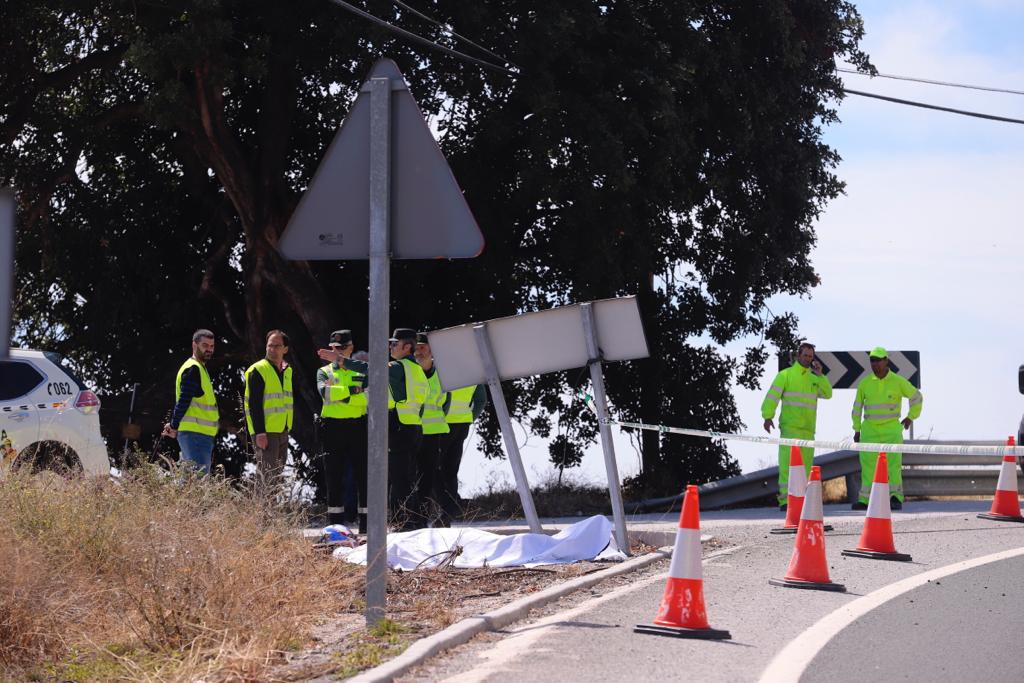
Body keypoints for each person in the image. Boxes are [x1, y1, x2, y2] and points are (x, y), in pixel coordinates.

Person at [322, 327, 427, 531]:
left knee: (398, 482)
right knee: (406, 478)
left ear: (407, 347)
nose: (390, 347)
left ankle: (402, 525)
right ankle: (412, 523)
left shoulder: (398, 367)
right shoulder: (417, 370)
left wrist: (339, 360)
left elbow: (371, 369)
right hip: (413, 426)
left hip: (398, 426)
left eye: (394, 344)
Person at [761, 341, 832, 511]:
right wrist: (767, 416)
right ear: (798, 355)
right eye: (805, 355)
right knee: (787, 466)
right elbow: (772, 396)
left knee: (806, 467)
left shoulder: (815, 379)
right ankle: (786, 501)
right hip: (790, 428)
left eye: (810, 356)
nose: (808, 358)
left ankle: (803, 500)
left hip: (808, 430)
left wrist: (821, 375)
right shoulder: (785, 375)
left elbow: (828, 394)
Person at [851, 347, 923, 510]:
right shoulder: (865, 383)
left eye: (878, 360)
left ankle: (895, 498)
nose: (874, 364)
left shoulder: (897, 381)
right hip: (869, 430)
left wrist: (911, 417)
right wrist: (857, 430)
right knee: (868, 467)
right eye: (872, 360)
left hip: (891, 430)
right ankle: (865, 500)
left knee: (893, 466)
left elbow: (917, 397)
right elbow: (857, 408)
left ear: (886, 361)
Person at [316, 330, 368, 531]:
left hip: (357, 427)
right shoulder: (324, 372)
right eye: (334, 348)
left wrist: (341, 395)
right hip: (332, 428)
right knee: (334, 477)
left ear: (351, 348)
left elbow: (368, 398)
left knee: (363, 476)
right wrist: (354, 392)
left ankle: (365, 526)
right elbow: (325, 394)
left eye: (342, 348)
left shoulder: (360, 371)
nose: (337, 352)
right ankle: (336, 526)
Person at [162, 329, 219, 473]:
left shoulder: (199, 368)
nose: (209, 350)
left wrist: (175, 425)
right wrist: (174, 425)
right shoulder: (193, 369)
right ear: (194, 345)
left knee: (191, 483)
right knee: (197, 482)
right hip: (196, 435)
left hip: (198, 435)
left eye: (212, 346)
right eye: (205, 345)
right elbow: (184, 401)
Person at [244, 330, 294, 483]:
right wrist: (260, 432)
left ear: (285, 349)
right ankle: (261, 507)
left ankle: (270, 508)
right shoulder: (258, 369)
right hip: (265, 432)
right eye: (269, 345)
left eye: (277, 346)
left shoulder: (287, 371)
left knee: (276, 477)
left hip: (282, 429)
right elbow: (254, 404)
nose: (272, 349)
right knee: (267, 477)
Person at [438, 381, 488, 527]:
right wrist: (469, 419)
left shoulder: (441, 368)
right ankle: (448, 512)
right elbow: (481, 400)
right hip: (462, 424)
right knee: (451, 470)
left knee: (434, 468)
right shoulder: (471, 372)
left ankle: (449, 507)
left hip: (441, 423)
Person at [413, 332, 449, 526]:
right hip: (413, 431)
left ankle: (424, 518)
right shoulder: (410, 372)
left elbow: (446, 402)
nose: (418, 351)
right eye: (416, 347)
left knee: (430, 477)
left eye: (422, 347)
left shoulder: (441, 374)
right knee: (411, 477)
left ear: (431, 350)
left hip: (434, 433)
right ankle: (410, 518)